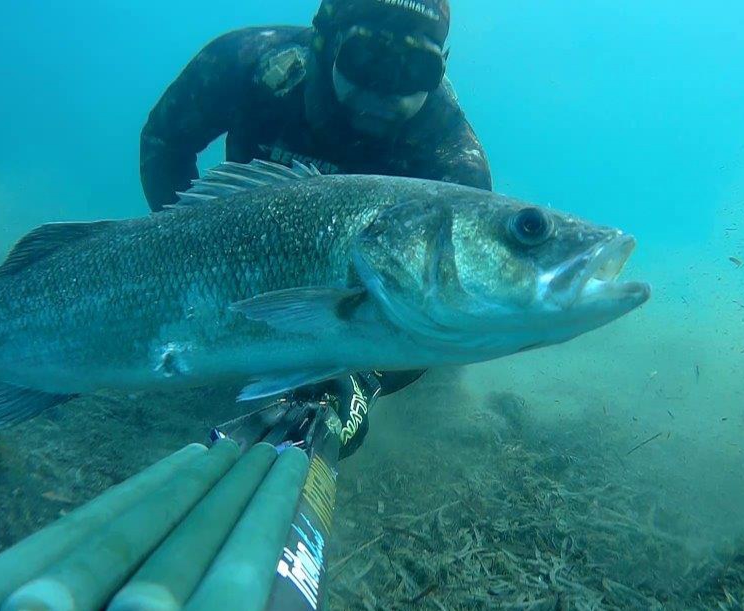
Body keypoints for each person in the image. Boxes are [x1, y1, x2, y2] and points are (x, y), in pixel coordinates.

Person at [140, 0, 492, 458]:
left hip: (374, 292)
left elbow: (446, 310)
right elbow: (166, 140)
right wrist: (184, 258)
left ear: (441, 67)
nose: (385, 90)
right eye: (366, 59)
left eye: (415, 69)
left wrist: (365, 375)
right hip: (244, 262)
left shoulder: (454, 164)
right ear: (325, 41)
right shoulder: (249, 64)